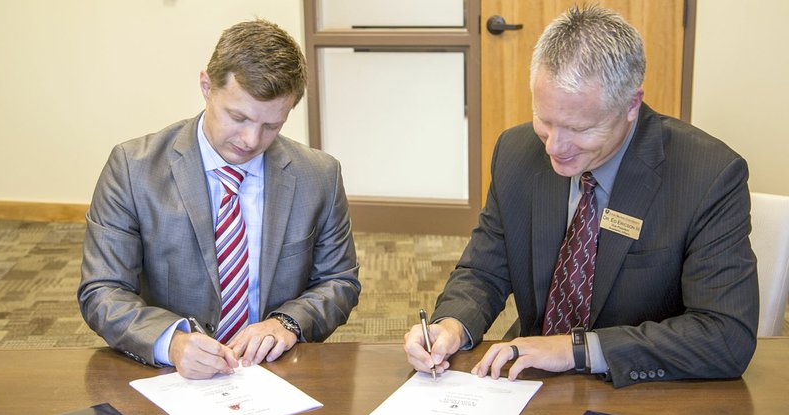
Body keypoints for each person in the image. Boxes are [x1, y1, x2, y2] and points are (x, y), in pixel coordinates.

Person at [404, 5, 758, 388]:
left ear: (630, 105)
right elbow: (485, 269)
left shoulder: (707, 175)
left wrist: (578, 349)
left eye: (579, 128)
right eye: (545, 120)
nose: (555, 147)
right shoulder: (516, 152)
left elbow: (725, 336)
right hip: (527, 379)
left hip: (638, 391)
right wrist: (452, 325)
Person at [79, 19, 360, 379]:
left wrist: (288, 323)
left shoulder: (318, 175)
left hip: (273, 373)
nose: (251, 140)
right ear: (206, 86)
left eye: (271, 125)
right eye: (237, 117)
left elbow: (339, 281)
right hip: (169, 374)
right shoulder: (134, 169)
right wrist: (172, 341)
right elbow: (102, 289)